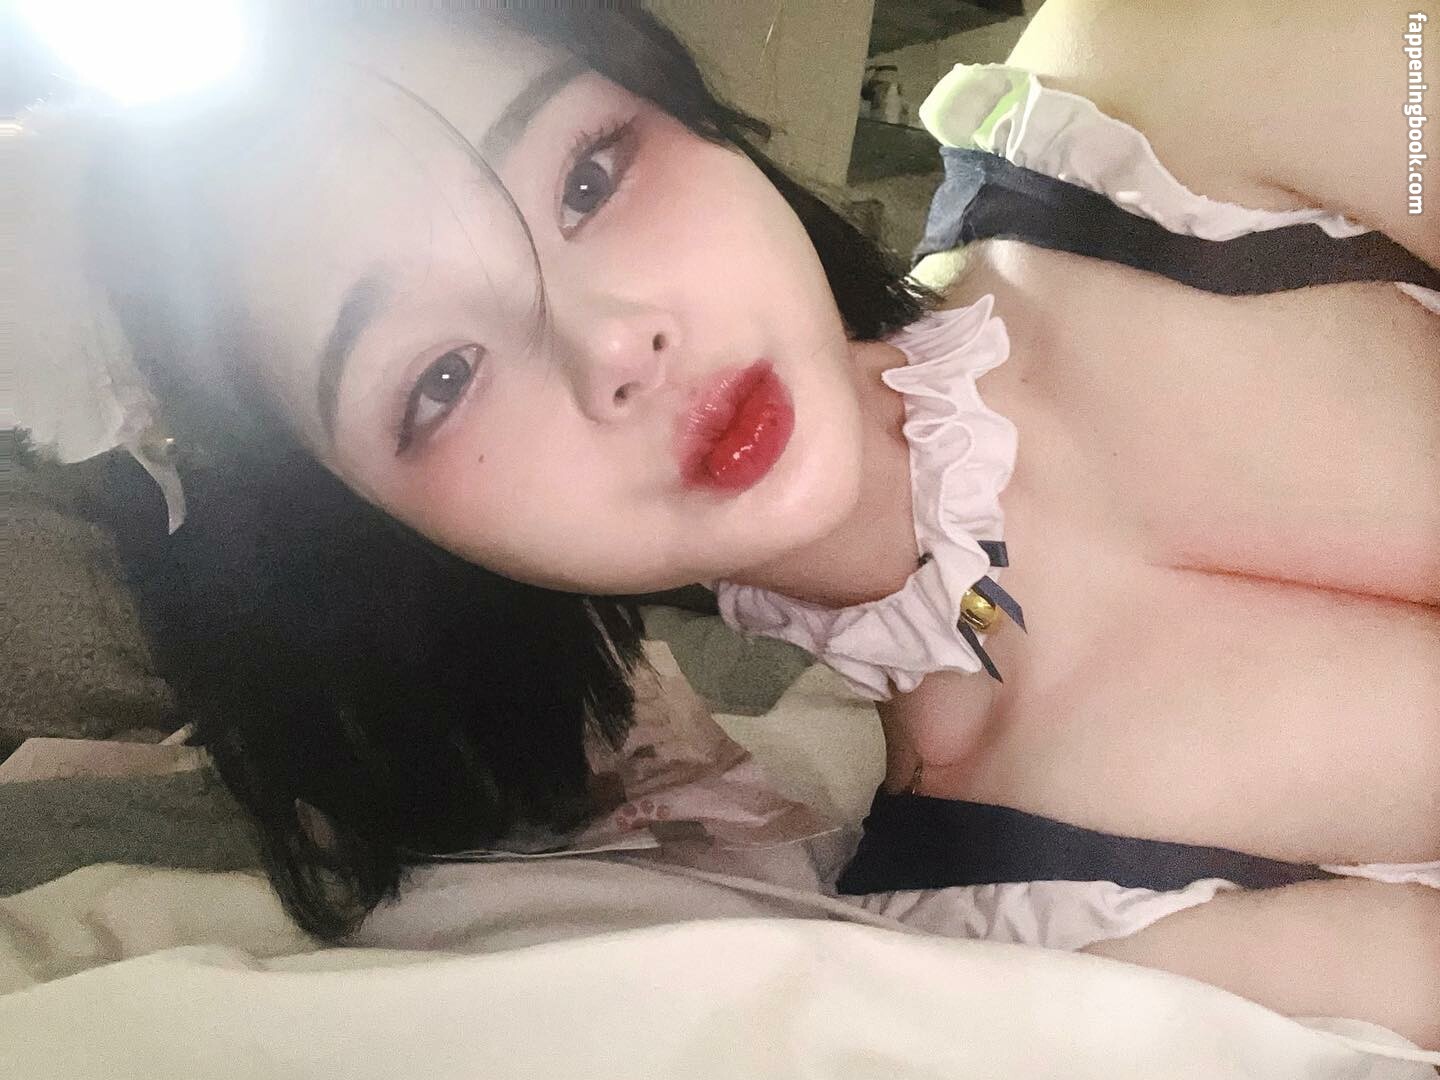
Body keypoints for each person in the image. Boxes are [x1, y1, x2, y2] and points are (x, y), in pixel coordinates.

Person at [25, 0, 1438, 1046]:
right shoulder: (1044, 919)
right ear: (378, 543)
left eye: (588, 178)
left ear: (675, 104)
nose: (613, 344)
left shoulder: (1166, 92)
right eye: (440, 380)